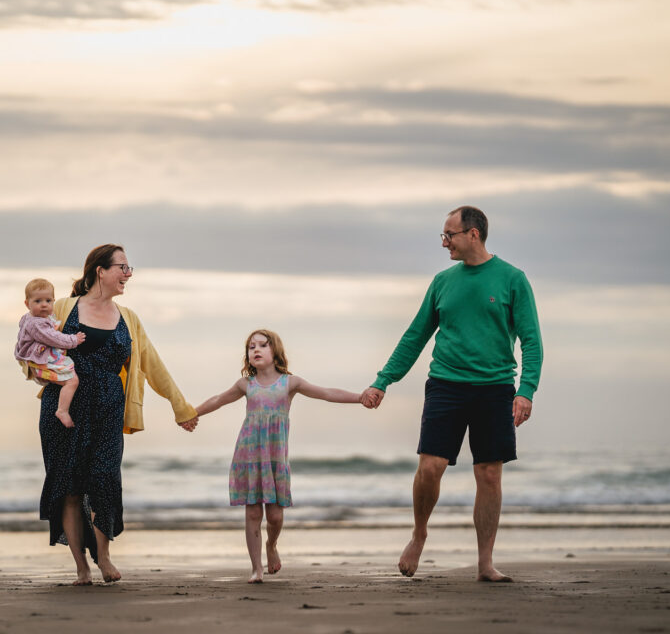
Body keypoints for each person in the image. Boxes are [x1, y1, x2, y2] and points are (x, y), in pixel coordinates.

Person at [360, 206, 543, 582]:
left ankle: (485, 563)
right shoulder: (443, 281)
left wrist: (525, 391)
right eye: (443, 235)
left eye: (450, 235)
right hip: (446, 384)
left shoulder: (512, 279)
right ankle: (419, 533)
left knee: (489, 474)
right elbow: (415, 336)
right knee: (431, 467)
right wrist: (383, 380)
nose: (444, 242)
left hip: (495, 388)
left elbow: (532, 341)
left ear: (473, 234)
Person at [37, 244, 199, 586]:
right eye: (122, 267)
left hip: (109, 408)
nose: (128, 273)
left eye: (129, 268)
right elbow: (32, 343)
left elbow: (153, 365)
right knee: (68, 486)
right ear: (100, 270)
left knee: (105, 481)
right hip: (64, 408)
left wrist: (179, 405)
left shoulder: (128, 319)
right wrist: (37, 370)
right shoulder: (64, 308)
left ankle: (105, 557)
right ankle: (81, 566)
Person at [194, 329, 362, 583]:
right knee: (252, 513)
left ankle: (271, 545)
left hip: (275, 458)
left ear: (276, 352)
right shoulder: (245, 384)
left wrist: (360, 398)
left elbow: (326, 393)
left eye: (263, 345)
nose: (256, 350)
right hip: (249, 455)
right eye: (251, 347)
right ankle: (256, 568)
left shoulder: (289, 383)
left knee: (274, 515)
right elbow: (218, 400)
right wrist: (191, 413)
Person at [15, 278, 86, 427]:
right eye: (38, 301)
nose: (44, 305)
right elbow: (54, 338)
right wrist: (74, 339)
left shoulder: (32, 318)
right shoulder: (36, 323)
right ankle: (62, 410)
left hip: (41, 361)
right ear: (27, 304)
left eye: (48, 300)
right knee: (72, 381)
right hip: (42, 363)